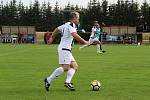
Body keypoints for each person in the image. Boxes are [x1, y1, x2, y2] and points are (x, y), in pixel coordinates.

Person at [44, 12, 90, 91]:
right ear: (74, 18)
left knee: (74, 66)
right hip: (65, 49)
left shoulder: (67, 24)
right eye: (78, 18)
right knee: (65, 67)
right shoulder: (71, 25)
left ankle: (68, 82)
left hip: (66, 49)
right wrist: (84, 42)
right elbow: (74, 35)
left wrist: (52, 38)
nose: (78, 20)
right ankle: (48, 80)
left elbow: (57, 29)